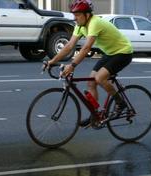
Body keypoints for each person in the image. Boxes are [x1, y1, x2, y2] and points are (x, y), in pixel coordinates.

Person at [44, 0, 133, 128]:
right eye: (74, 15)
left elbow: (86, 48)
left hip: (123, 52)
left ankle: (120, 103)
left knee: (99, 78)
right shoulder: (80, 26)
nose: (75, 18)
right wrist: (52, 61)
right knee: (91, 82)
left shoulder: (94, 23)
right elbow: (69, 46)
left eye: (78, 15)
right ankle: (95, 115)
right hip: (110, 53)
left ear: (87, 15)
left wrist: (72, 65)